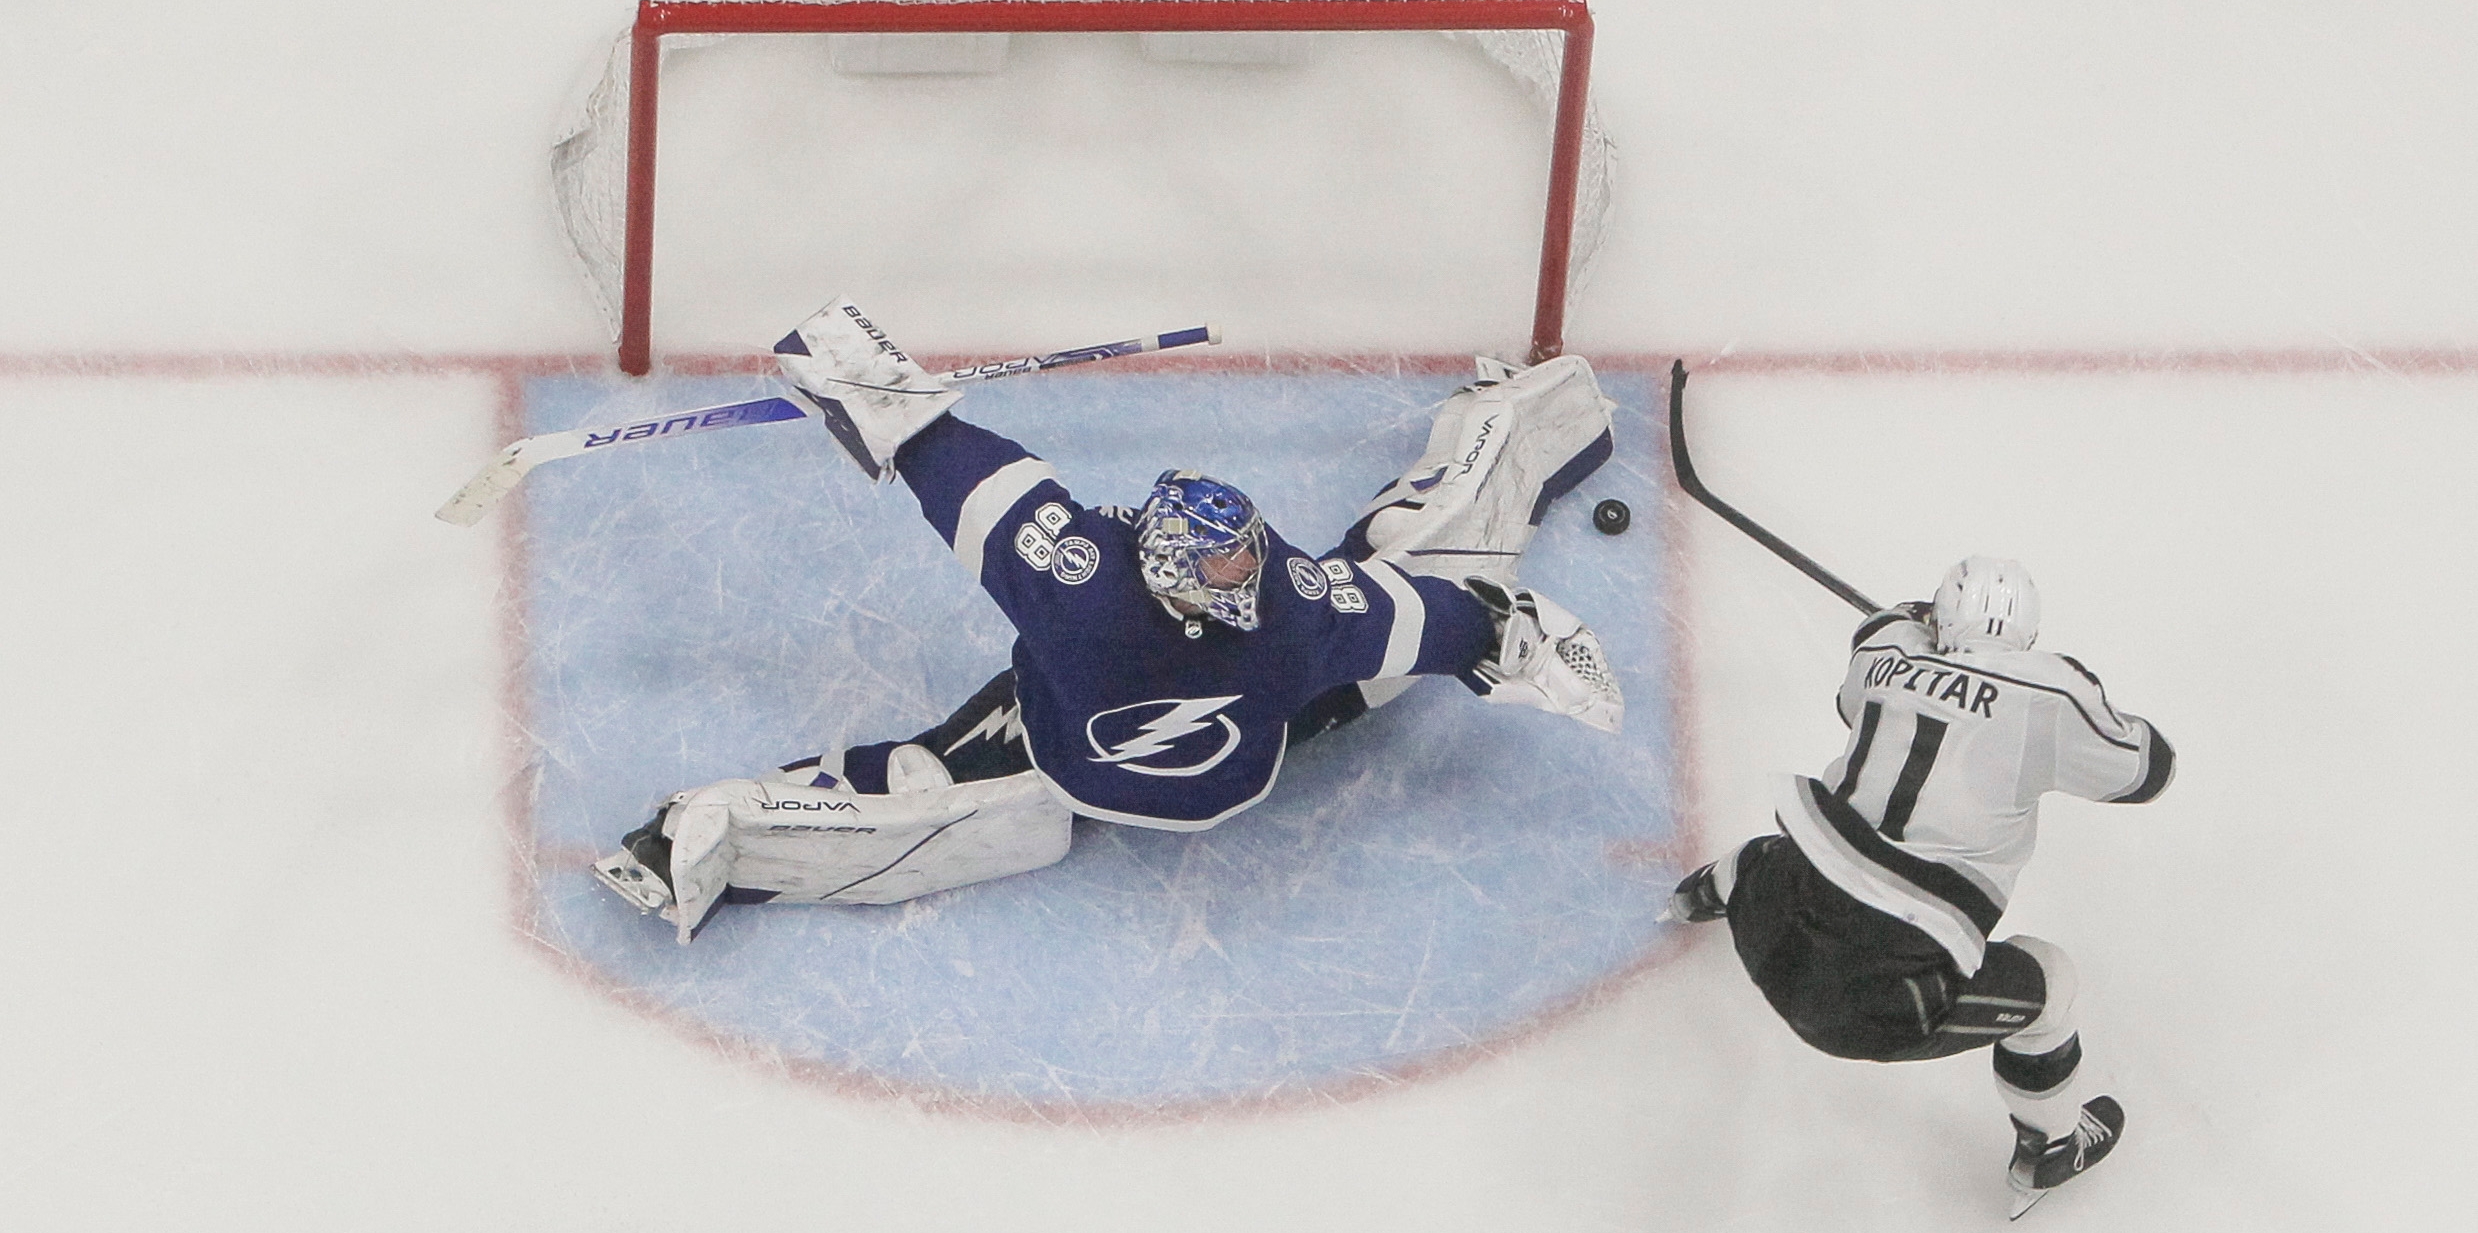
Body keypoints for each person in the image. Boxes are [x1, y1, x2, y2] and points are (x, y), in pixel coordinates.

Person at [594, 297, 1625, 943]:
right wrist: (1513, 637)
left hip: (1064, 762)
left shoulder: (1086, 593)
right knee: (1418, 546)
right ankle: (1528, 425)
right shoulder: (1297, 612)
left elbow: (966, 475)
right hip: (1250, 763)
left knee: (916, 790)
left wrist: (874, 395)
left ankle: (692, 842)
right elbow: (1426, 618)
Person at [1662, 556, 2173, 1219]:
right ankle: (2049, 1148)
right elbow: (2147, 770)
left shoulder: (1885, 648)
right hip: (1871, 1005)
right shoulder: (2052, 690)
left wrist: (1914, 642)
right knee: (2053, 982)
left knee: (1785, 854)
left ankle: (1701, 895)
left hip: (1767, 927)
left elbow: (1856, 692)